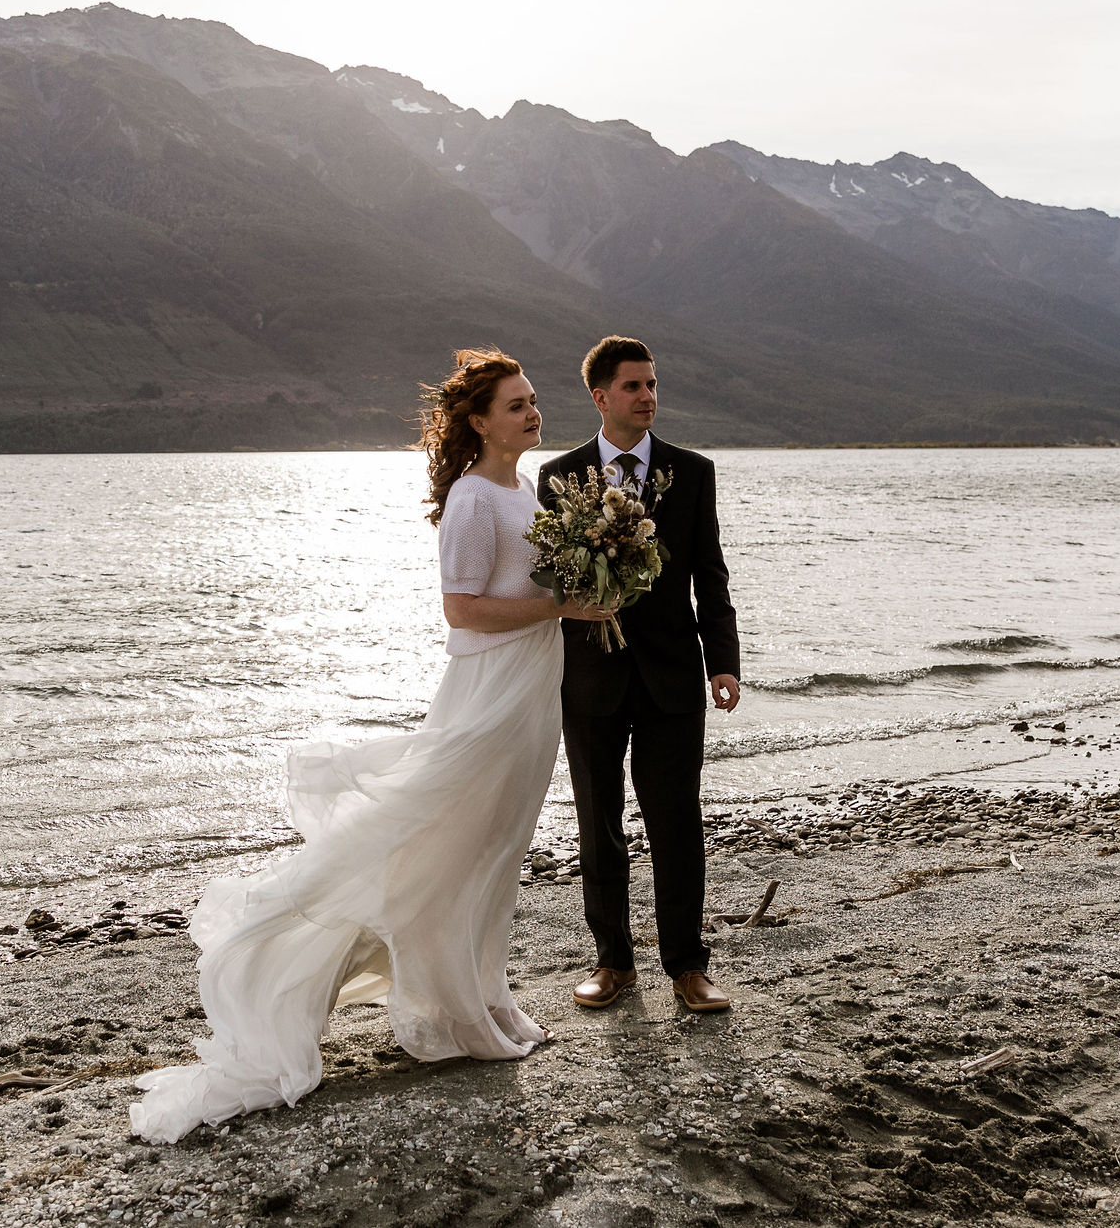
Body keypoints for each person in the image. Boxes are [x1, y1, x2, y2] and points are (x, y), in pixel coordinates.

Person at [129, 348, 613, 1143]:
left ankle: (489, 993)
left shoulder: (519, 488)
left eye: (533, 400)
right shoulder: (469, 500)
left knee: (500, 847)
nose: (534, 412)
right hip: (489, 696)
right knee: (452, 845)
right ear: (480, 420)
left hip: (531, 695)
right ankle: (453, 1005)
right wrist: (563, 607)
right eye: (518, 404)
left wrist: (574, 602)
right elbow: (461, 611)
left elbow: (523, 593)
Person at [536, 336, 742, 1014]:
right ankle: (612, 962)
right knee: (598, 824)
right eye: (634, 386)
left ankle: (687, 965)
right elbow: (550, 580)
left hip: (675, 679)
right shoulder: (558, 476)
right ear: (600, 396)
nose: (648, 396)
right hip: (590, 678)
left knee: (677, 821)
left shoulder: (693, 471)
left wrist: (725, 663)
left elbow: (709, 577)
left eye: (653, 384)